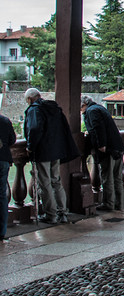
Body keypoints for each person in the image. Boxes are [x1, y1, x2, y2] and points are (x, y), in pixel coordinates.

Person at [23, 88, 79, 224]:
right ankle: (63, 213)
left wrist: (30, 147)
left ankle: (51, 215)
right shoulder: (53, 108)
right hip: (57, 151)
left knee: (45, 183)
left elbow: (34, 129)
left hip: (43, 152)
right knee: (56, 181)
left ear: (30, 99)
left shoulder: (34, 110)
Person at [81, 96, 124, 211]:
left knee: (107, 177)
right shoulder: (99, 108)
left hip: (108, 149)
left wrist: (101, 145)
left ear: (84, 104)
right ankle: (119, 204)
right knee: (117, 177)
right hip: (117, 146)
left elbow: (98, 128)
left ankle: (108, 204)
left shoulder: (91, 111)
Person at [1, 111, 16, 241]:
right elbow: (12, 140)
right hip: (3, 160)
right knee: (2, 196)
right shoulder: (5, 120)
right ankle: (2, 231)